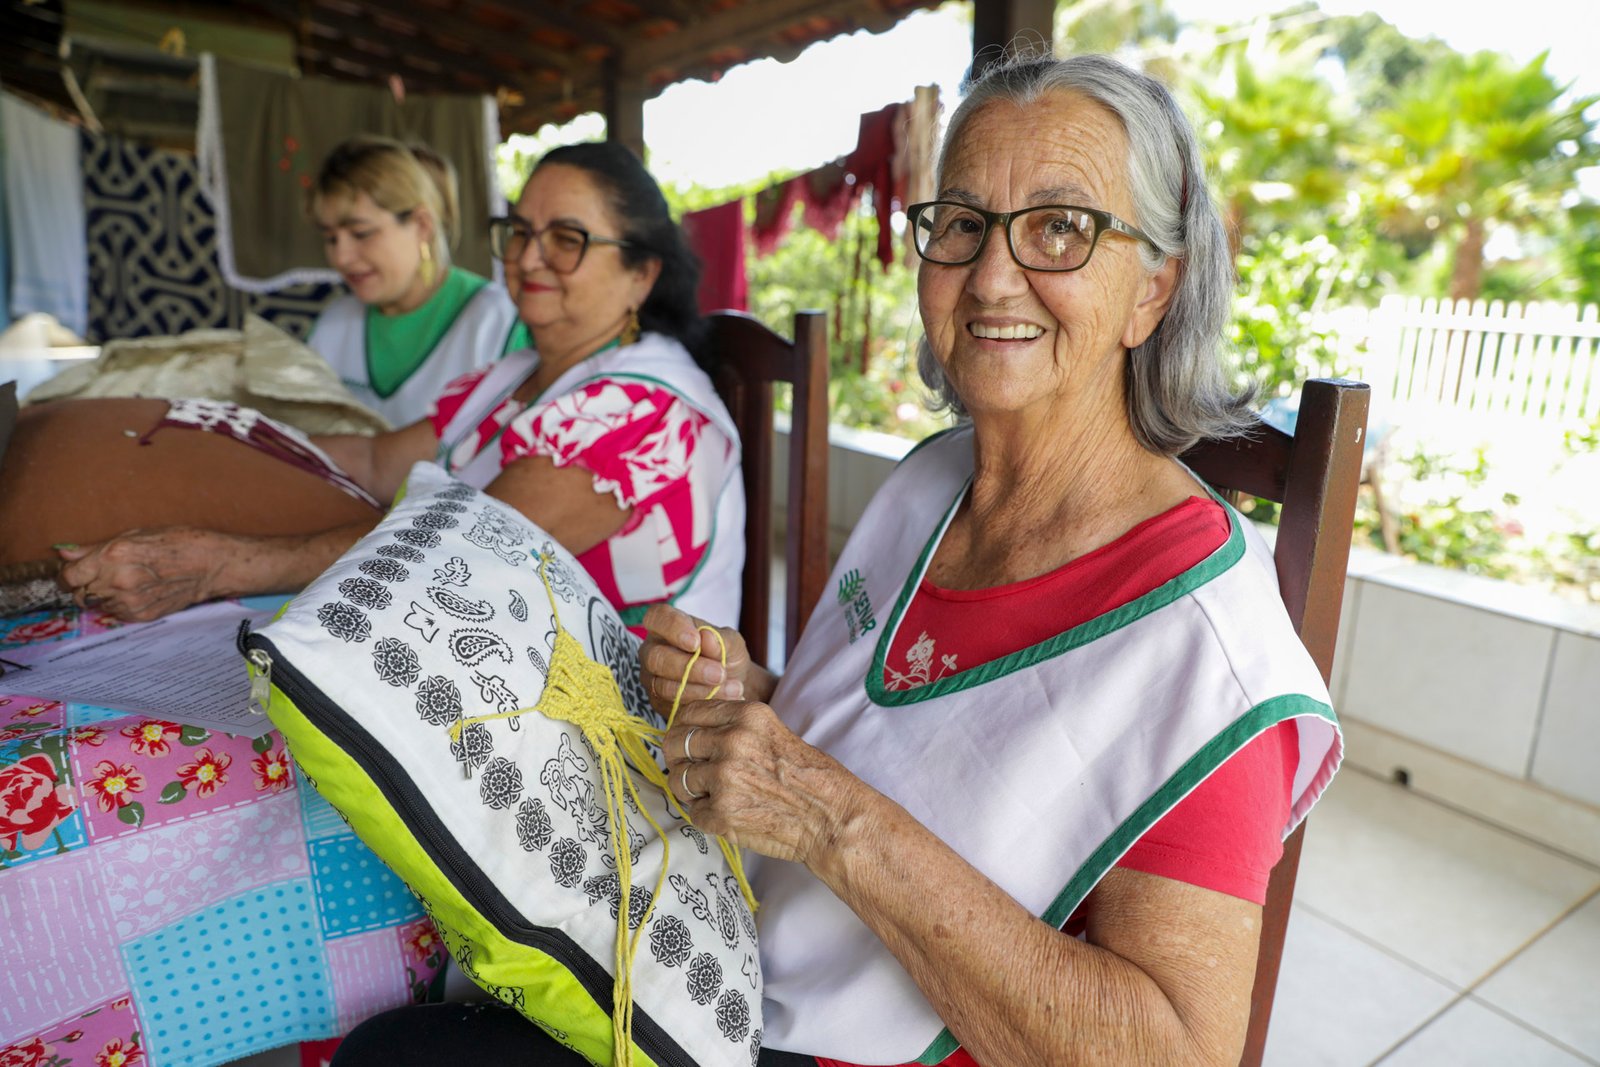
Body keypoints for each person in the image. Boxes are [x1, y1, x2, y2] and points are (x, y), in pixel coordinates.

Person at [329, 52, 1341, 1067]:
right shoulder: (933, 484)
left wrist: (823, 812)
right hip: (721, 958)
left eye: (1060, 228)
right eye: (959, 224)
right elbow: (907, 735)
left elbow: (1174, 1053)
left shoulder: (1205, 650)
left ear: (1152, 291)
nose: (992, 276)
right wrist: (750, 697)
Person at [57, 142, 744, 631]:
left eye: (567, 238)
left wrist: (221, 563)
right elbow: (378, 461)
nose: (529, 257)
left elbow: (460, 546)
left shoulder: (647, 414)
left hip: (621, 748)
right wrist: (207, 439)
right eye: (519, 231)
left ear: (642, 273)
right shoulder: (514, 379)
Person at [306, 136, 528, 426]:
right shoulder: (334, 326)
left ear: (422, 225)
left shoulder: (496, 324)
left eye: (361, 234)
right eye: (330, 238)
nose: (341, 257)